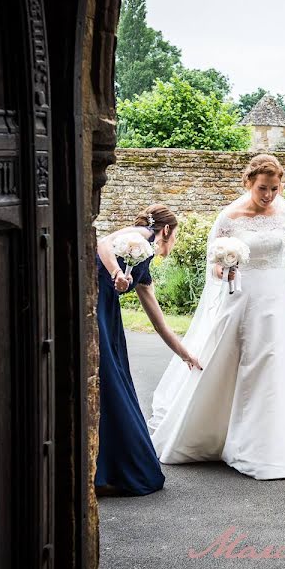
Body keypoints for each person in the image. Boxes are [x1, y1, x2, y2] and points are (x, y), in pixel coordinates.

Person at [148, 154, 285, 481]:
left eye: (275, 188)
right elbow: (213, 265)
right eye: (263, 188)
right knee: (234, 361)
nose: (269, 195)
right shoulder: (229, 217)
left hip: (275, 300)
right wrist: (222, 267)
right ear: (248, 183)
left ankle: (277, 439)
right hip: (242, 298)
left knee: (277, 361)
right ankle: (221, 433)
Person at [95, 204, 202, 496]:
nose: (174, 241)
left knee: (113, 383)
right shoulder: (142, 236)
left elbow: (160, 323)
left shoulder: (143, 269)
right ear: (166, 230)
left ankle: (107, 468)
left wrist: (185, 354)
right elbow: (102, 242)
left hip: (108, 314)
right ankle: (102, 468)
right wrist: (117, 271)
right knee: (107, 383)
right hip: (92, 303)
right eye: (175, 234)